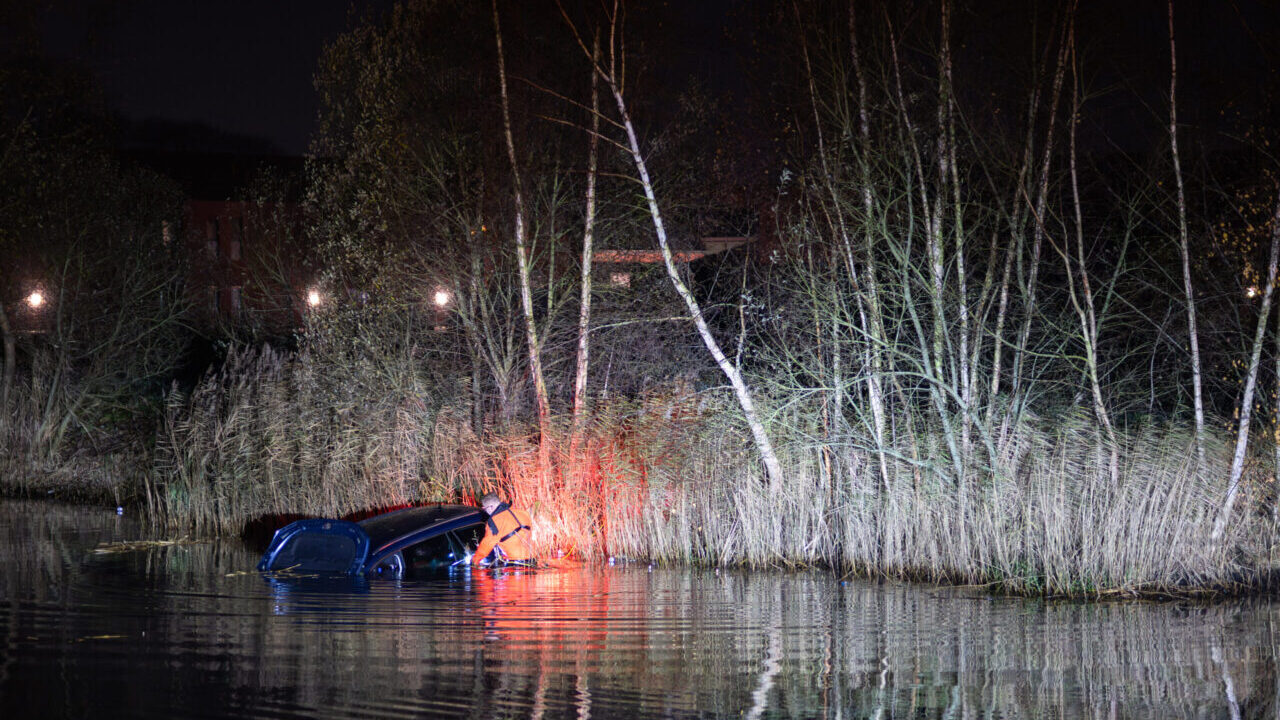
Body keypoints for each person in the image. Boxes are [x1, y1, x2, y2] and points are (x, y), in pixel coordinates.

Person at [472, 492, 535, 566]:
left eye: (485, 509)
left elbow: (486, 545)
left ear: (491, 507)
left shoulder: (494, 521)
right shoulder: (523, 513)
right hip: (532, 560)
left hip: (515, 563)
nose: (486, 512)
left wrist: (474, 561)